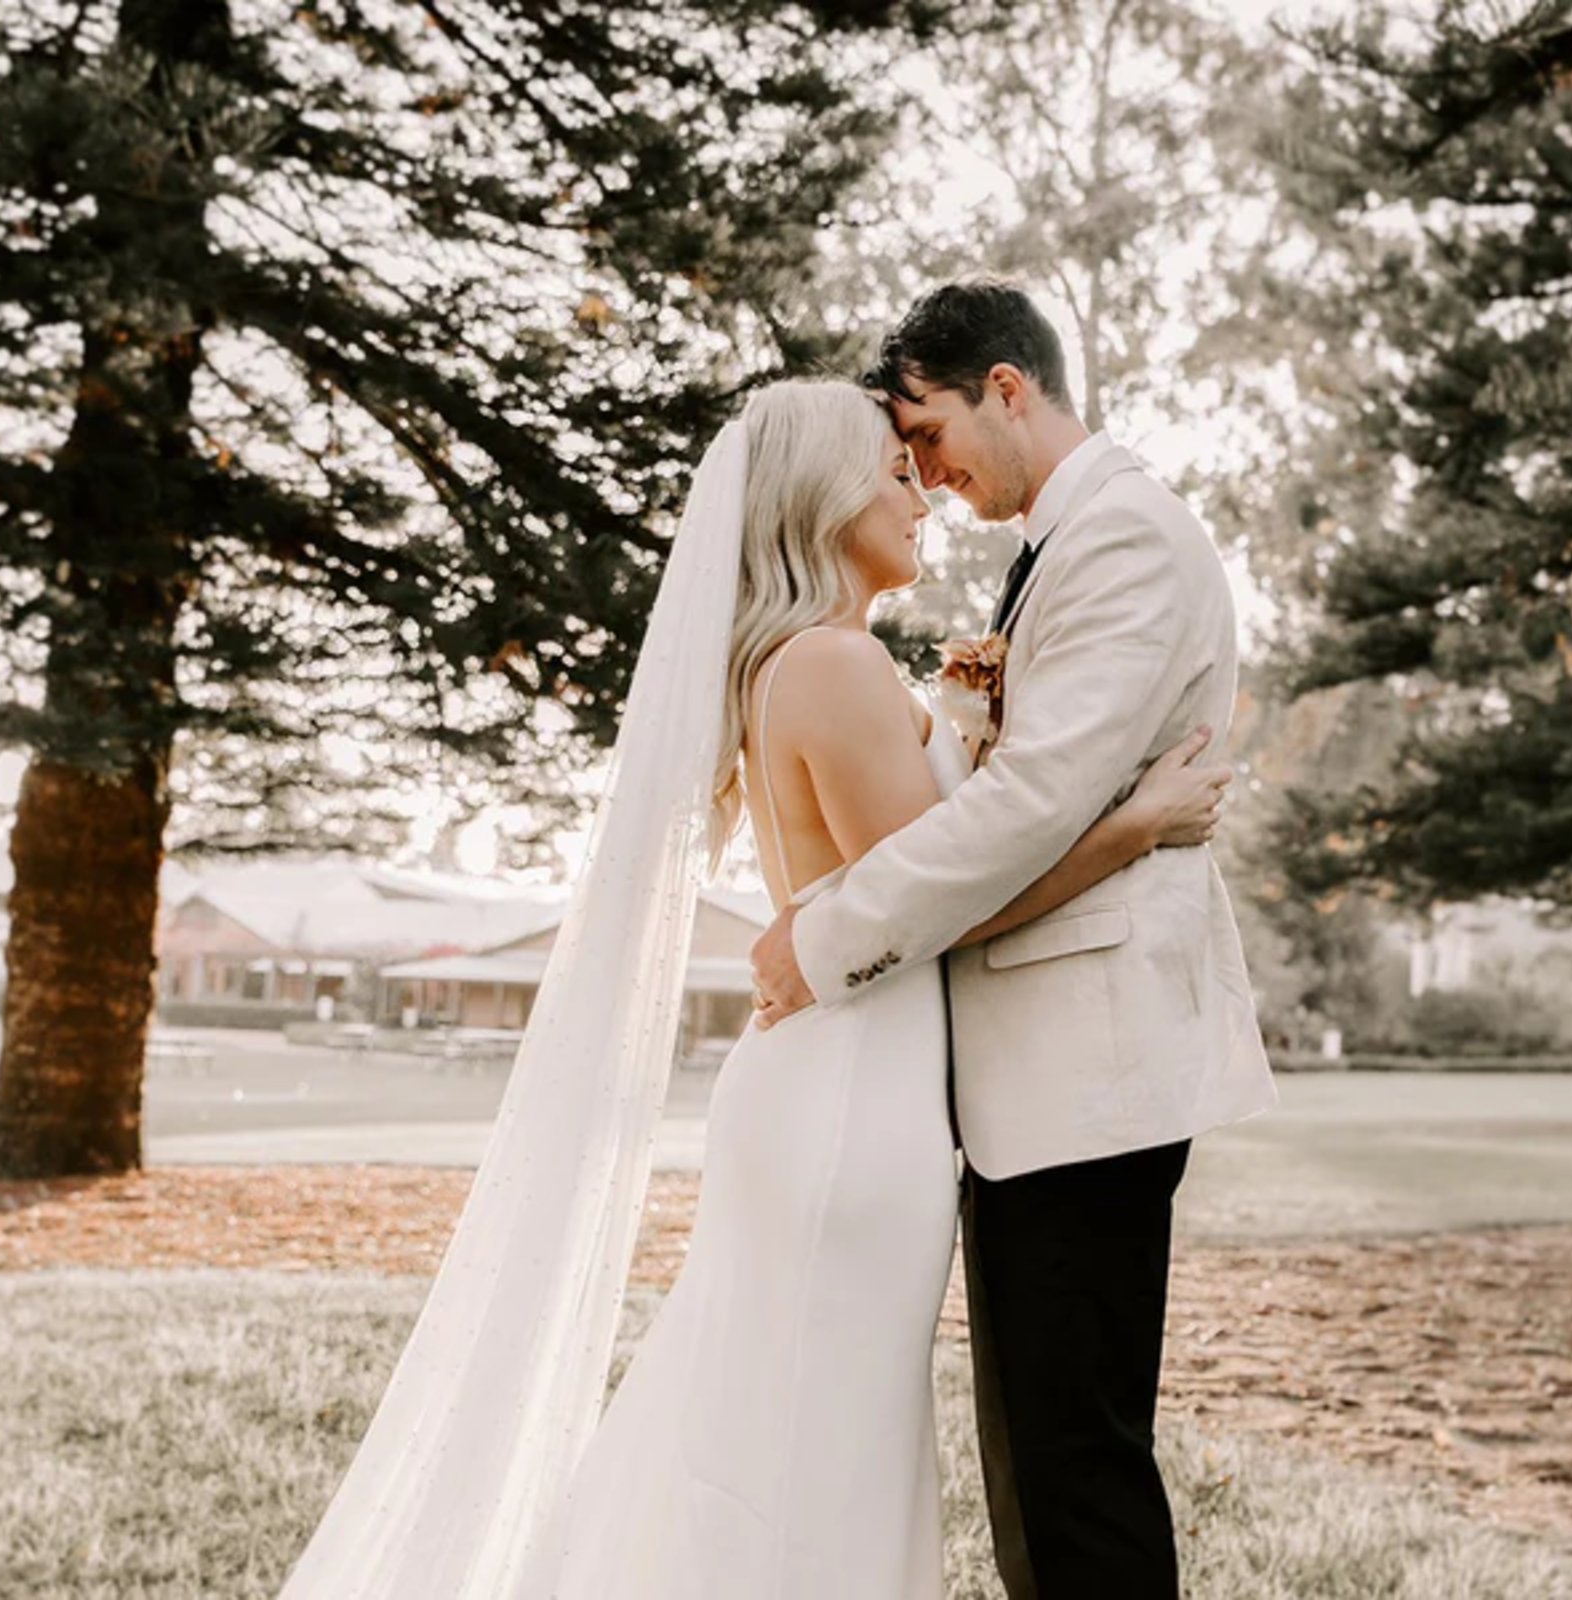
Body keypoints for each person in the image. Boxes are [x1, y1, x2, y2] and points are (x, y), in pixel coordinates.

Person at [276, 377, 1229, 1599]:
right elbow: (948, 899)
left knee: (784, 1420)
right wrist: (1133, 827)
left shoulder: (824, 662)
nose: (920, 489)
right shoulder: (828, 665)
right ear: (826, 497)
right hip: (847, 1107)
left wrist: (964, 723)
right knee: (807, 1443)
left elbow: (918, 861)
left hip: (853, 1088)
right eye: (895, 469)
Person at [749, 281, 1279, 1599]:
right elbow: (1036, 785)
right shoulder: (1066, 541)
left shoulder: (1124, 539)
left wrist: (824, 938)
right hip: (1038, 1083)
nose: (923, 473)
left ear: (1006, 387)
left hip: (1082, 1078)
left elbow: (1039, 811)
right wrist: (972, 727)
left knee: (1075, 1475)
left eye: (925, 433)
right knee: (1047, 1474)